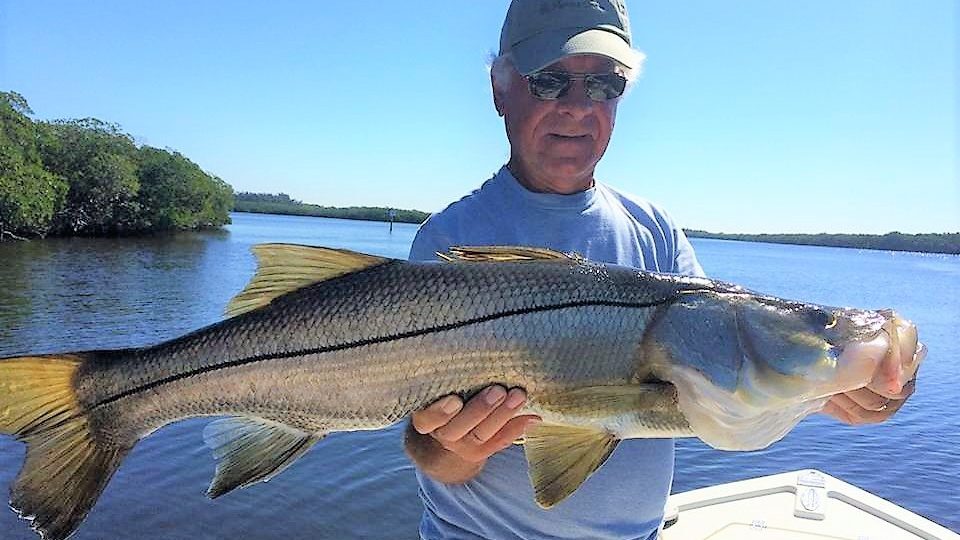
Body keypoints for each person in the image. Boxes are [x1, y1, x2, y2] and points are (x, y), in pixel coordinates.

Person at [403, 1, 916, 539]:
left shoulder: (654, 229)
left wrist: (838, 391)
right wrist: (452, 448)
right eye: (550, 82)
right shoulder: (450, 240)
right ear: (499, 90)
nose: (578, 107)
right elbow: (429, 454)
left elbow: (712, 382)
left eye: (604, 85)